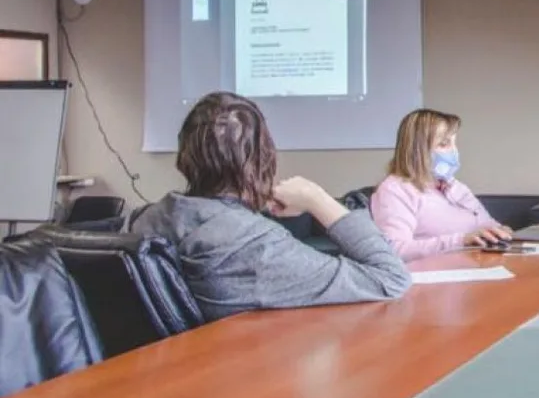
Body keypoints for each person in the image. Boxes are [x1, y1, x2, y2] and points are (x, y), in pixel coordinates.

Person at [130, 92, 410, 321]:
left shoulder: (149, 218)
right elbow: (390, 278)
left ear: (186, 155)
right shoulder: (253, 244)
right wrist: (317, 198)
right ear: (263, 158)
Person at [370, 109, 513, 261]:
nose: (454, 151)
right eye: (444, 144)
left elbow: (487, 224)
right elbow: (396, 250)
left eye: (454, 143)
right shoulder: (395, 189)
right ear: (418, 150)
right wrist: (460, 241)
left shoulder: (454, 186)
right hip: (430, 278)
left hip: (472, 269)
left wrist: (500, 231)